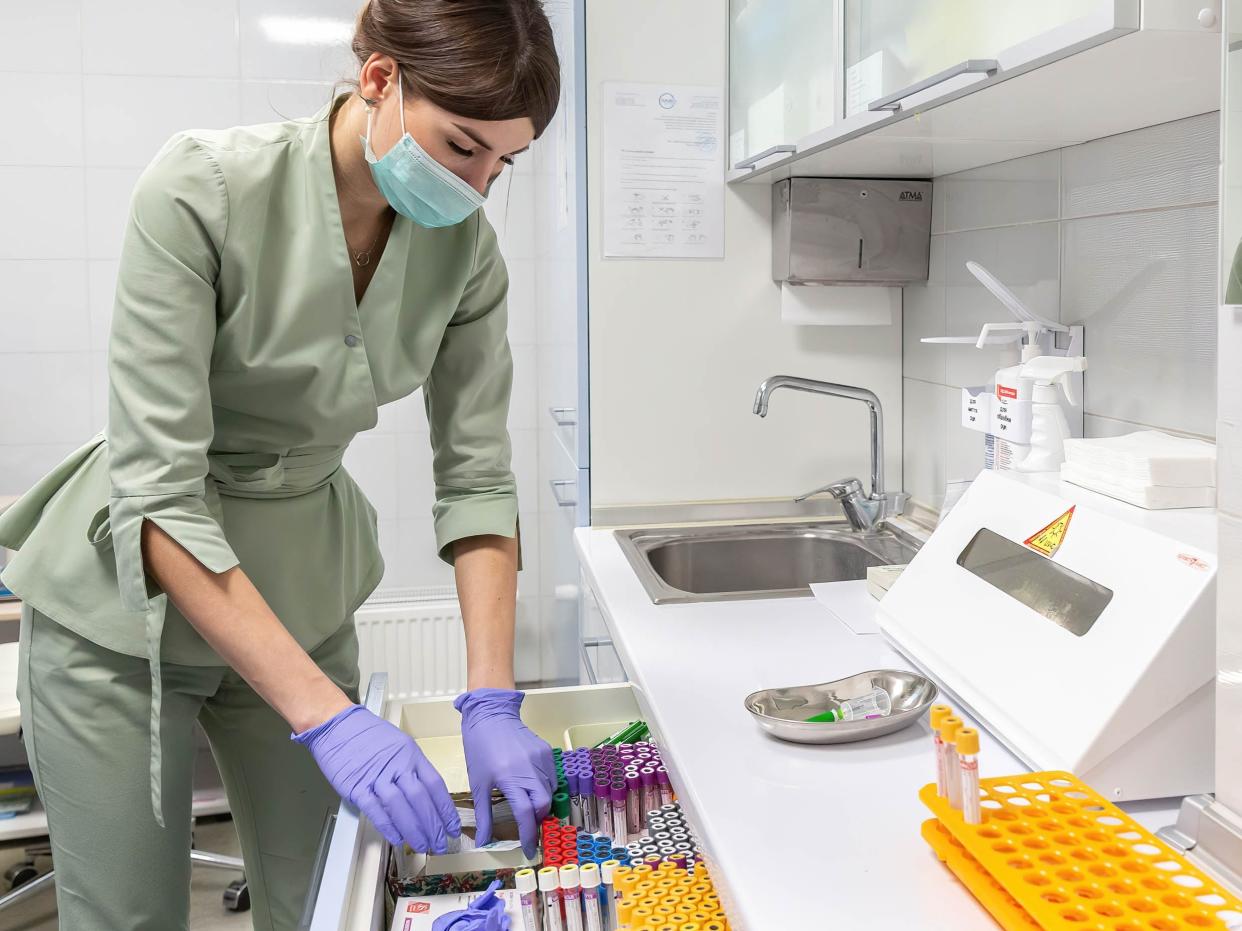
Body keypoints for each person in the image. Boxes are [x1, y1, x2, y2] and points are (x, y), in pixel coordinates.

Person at [0, 1, 562, 928]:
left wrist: (493, 694)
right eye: (464, 147)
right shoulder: (203, 190)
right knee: (130, 914)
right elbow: (160, 496)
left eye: (505, 163)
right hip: (122, 620)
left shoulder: (466, 254)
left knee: (327, 901)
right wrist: (332, 720)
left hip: (300, 598)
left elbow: (477, 479)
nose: (479, 185)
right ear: (379, 79)